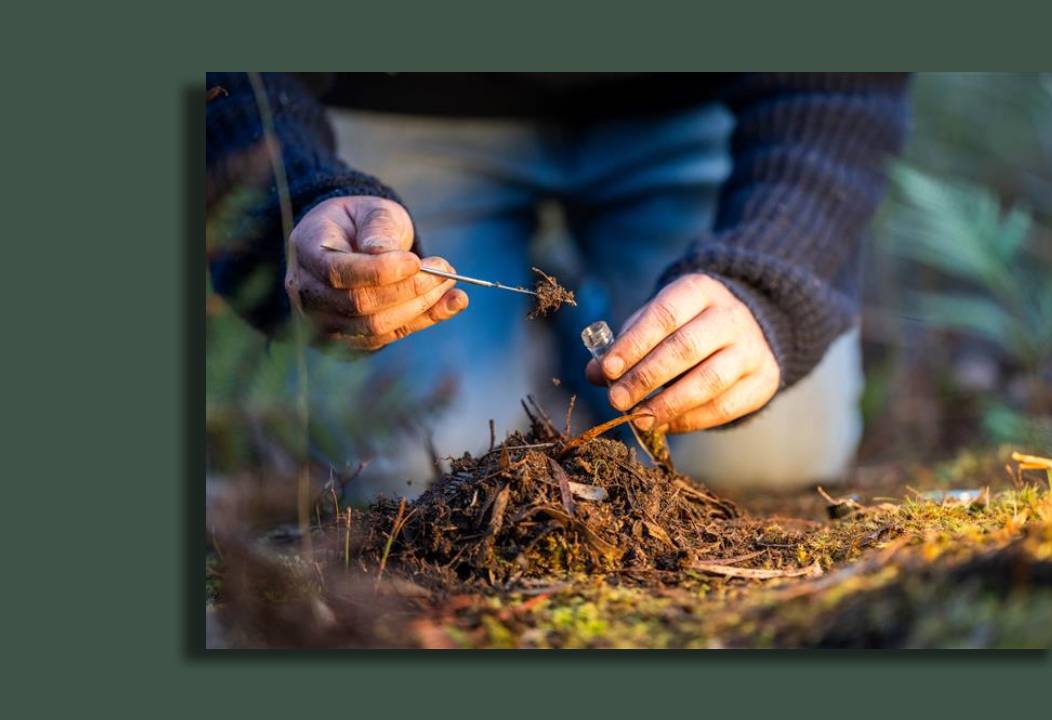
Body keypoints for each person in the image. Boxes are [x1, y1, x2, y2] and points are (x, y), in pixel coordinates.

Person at [206, 73, 909, 501]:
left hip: (700, 100)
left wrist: (771, 273)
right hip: (399, 103)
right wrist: (294, 197)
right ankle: (534, 329)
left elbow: (845, 79)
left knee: (759, 456)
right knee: (405, 474)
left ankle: (578, 325)